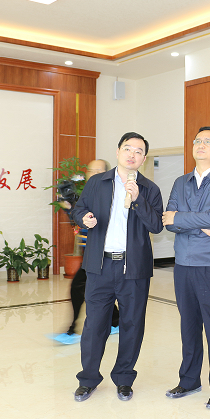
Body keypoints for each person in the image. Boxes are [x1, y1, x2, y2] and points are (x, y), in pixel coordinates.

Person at [69, 132, 163, 402]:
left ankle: (124, 378)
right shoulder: (97, 182)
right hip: (100, 266)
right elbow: (79, 209)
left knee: (132, 324)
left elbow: (156, 225)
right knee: (94, 325)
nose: (132, 154)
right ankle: (88, 379)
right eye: (127, 148)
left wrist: (138, 199)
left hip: (133, 269)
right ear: (118, 151)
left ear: (144, 159)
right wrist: (83, 217)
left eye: (138, 151)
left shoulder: (149, 189)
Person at [162, 126, 210, 410]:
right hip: (183, 266)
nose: (201, 145)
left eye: (208, 141)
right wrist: (201, 223)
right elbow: (168, 220)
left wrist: (183, 218)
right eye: (197, 141)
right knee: (189, 327)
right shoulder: (181, 182)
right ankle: (189, 380)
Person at [52, 159, 120, 345]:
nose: (94, 173)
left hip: (103, 254)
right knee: (97, 291)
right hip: (90, 254)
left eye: (99, 170)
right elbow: (81, 222)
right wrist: (70, 209)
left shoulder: (110, 193)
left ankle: (72, 330)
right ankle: (116, 321)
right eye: (91, 170)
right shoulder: (89, 193)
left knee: (79, 288)